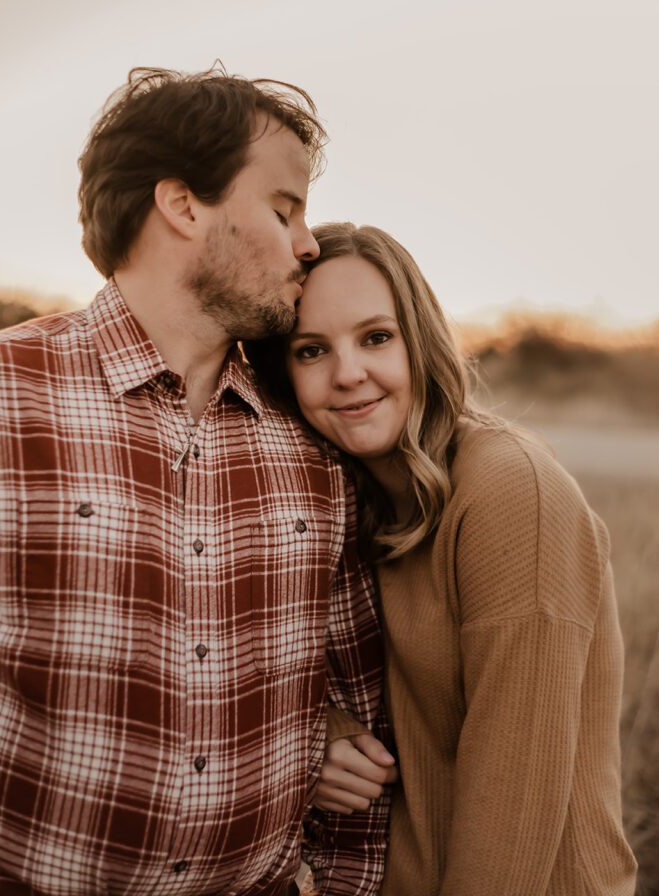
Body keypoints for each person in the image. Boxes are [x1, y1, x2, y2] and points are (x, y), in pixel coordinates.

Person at [0, 71, 394, 896]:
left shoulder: (311, 438)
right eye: (283, 210)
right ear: (184, 205)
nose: (307, 243)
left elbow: (359, 719)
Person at [245, 222, 638, 895]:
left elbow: (515, 794)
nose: (348, 374)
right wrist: (325, 734)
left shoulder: (510, 491)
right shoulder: (352, 500)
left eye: (376, 337)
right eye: (311, 350)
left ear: (420, 340)